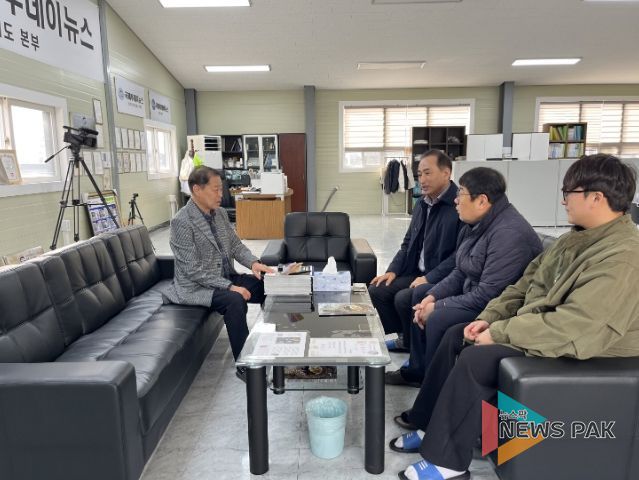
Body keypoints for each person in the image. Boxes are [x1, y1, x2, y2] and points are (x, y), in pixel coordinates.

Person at [390, 154, 639, 480]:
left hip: (586, 348)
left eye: (568, 193)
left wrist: (501, 333)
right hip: (546, 328)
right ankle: (429, 424)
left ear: (596, 197)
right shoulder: (573, 239)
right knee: (456, 336)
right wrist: (490, 318)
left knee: (476, 361)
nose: (563, 201)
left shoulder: (622, 255)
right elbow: (523, 285)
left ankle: (448, 462)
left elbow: (577, 326)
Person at [386, 167, 542, 387]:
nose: (456, 200)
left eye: (461, 193)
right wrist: (432, 296)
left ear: (482, 201)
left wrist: (438, 306)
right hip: (475, 293)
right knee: (420, 294)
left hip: (496, 306)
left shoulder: (508, 234)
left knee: (438, 318)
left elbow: (489, 294)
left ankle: (436, 388)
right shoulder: (477, 225)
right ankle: (419, 371)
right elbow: (460, 271)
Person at [163, 166, 273, 379]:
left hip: (224, 276)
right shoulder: (181, 222)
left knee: (267, 285)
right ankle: (245, 364)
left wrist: (253, 263)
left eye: (221, 189)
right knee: (234, 300)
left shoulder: (220, 214)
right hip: (197, 287)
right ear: (197, 189)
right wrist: (230, 287)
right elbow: (193, 270)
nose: (221, 194)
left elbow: (236, 246)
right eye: (215, 189)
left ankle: (273, 345)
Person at [369, 150, 462, 353]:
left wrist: (429, 277)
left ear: (446, 173)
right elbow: (408, 242)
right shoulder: (422, 203)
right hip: (416, 272)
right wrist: (393, 270)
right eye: (420, 174)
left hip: (444, 277)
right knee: (377, 289)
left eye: (428, 173)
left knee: (404, 298)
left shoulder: (459, 205)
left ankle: (417, 346)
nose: (422, 180)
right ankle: (405, 337)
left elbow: (460, 255)